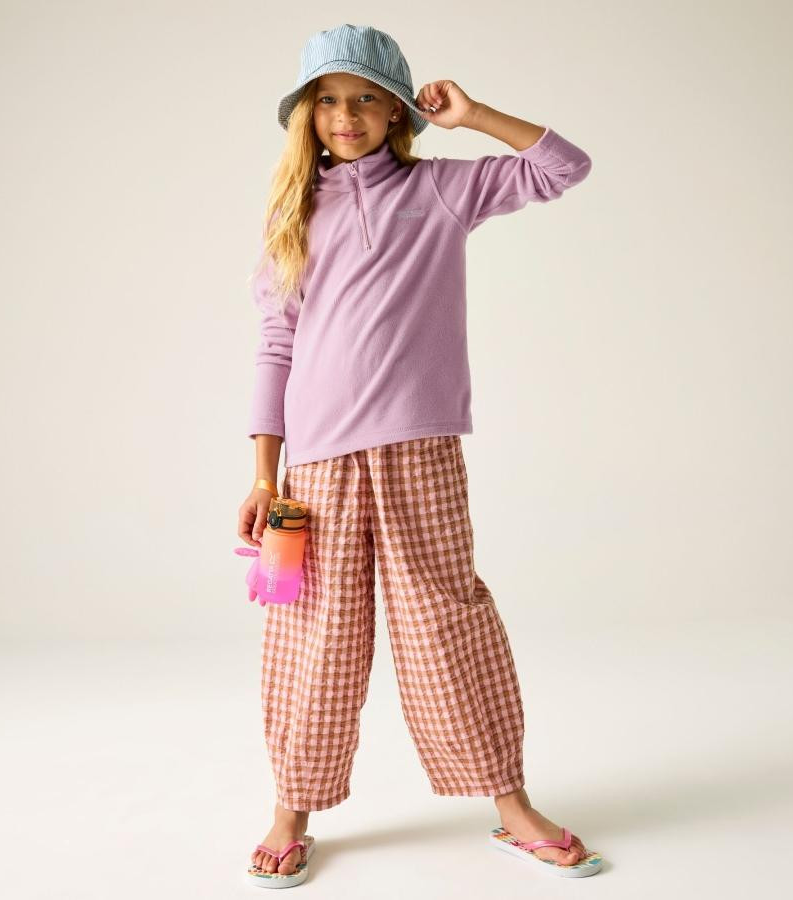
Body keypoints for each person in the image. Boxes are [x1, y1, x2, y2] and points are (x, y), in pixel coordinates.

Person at [238, 24, 601, 887]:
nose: (346, 115)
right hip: (316, 469)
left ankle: (512, 807)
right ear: (307, 115)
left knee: (446, 624)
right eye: (328, 100)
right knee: (312, 636)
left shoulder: (440, 191)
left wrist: (472, 117)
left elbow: (564, 167)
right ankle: (291, 810)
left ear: (398, 109)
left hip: (419, 450)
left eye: (366, 97)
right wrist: (262, 473)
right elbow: (275, 348)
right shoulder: (295, 213)